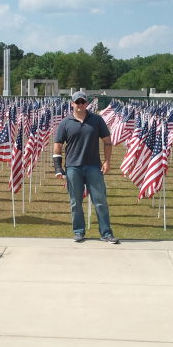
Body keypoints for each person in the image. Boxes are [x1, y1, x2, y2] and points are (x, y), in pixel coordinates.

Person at [53, 91, 120, 244]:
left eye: (83, 102)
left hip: (93, 167)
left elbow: (107, 141)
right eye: (77, 102)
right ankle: (78, 232)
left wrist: (107, 161)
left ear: (87, 103)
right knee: (75, 202)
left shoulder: (97, 120)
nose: (80, 104)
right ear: (72, 104)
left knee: (100, 201)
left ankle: (106, 233)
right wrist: (58, 168)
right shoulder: (65, 123)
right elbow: (57, 147)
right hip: (72, 168)